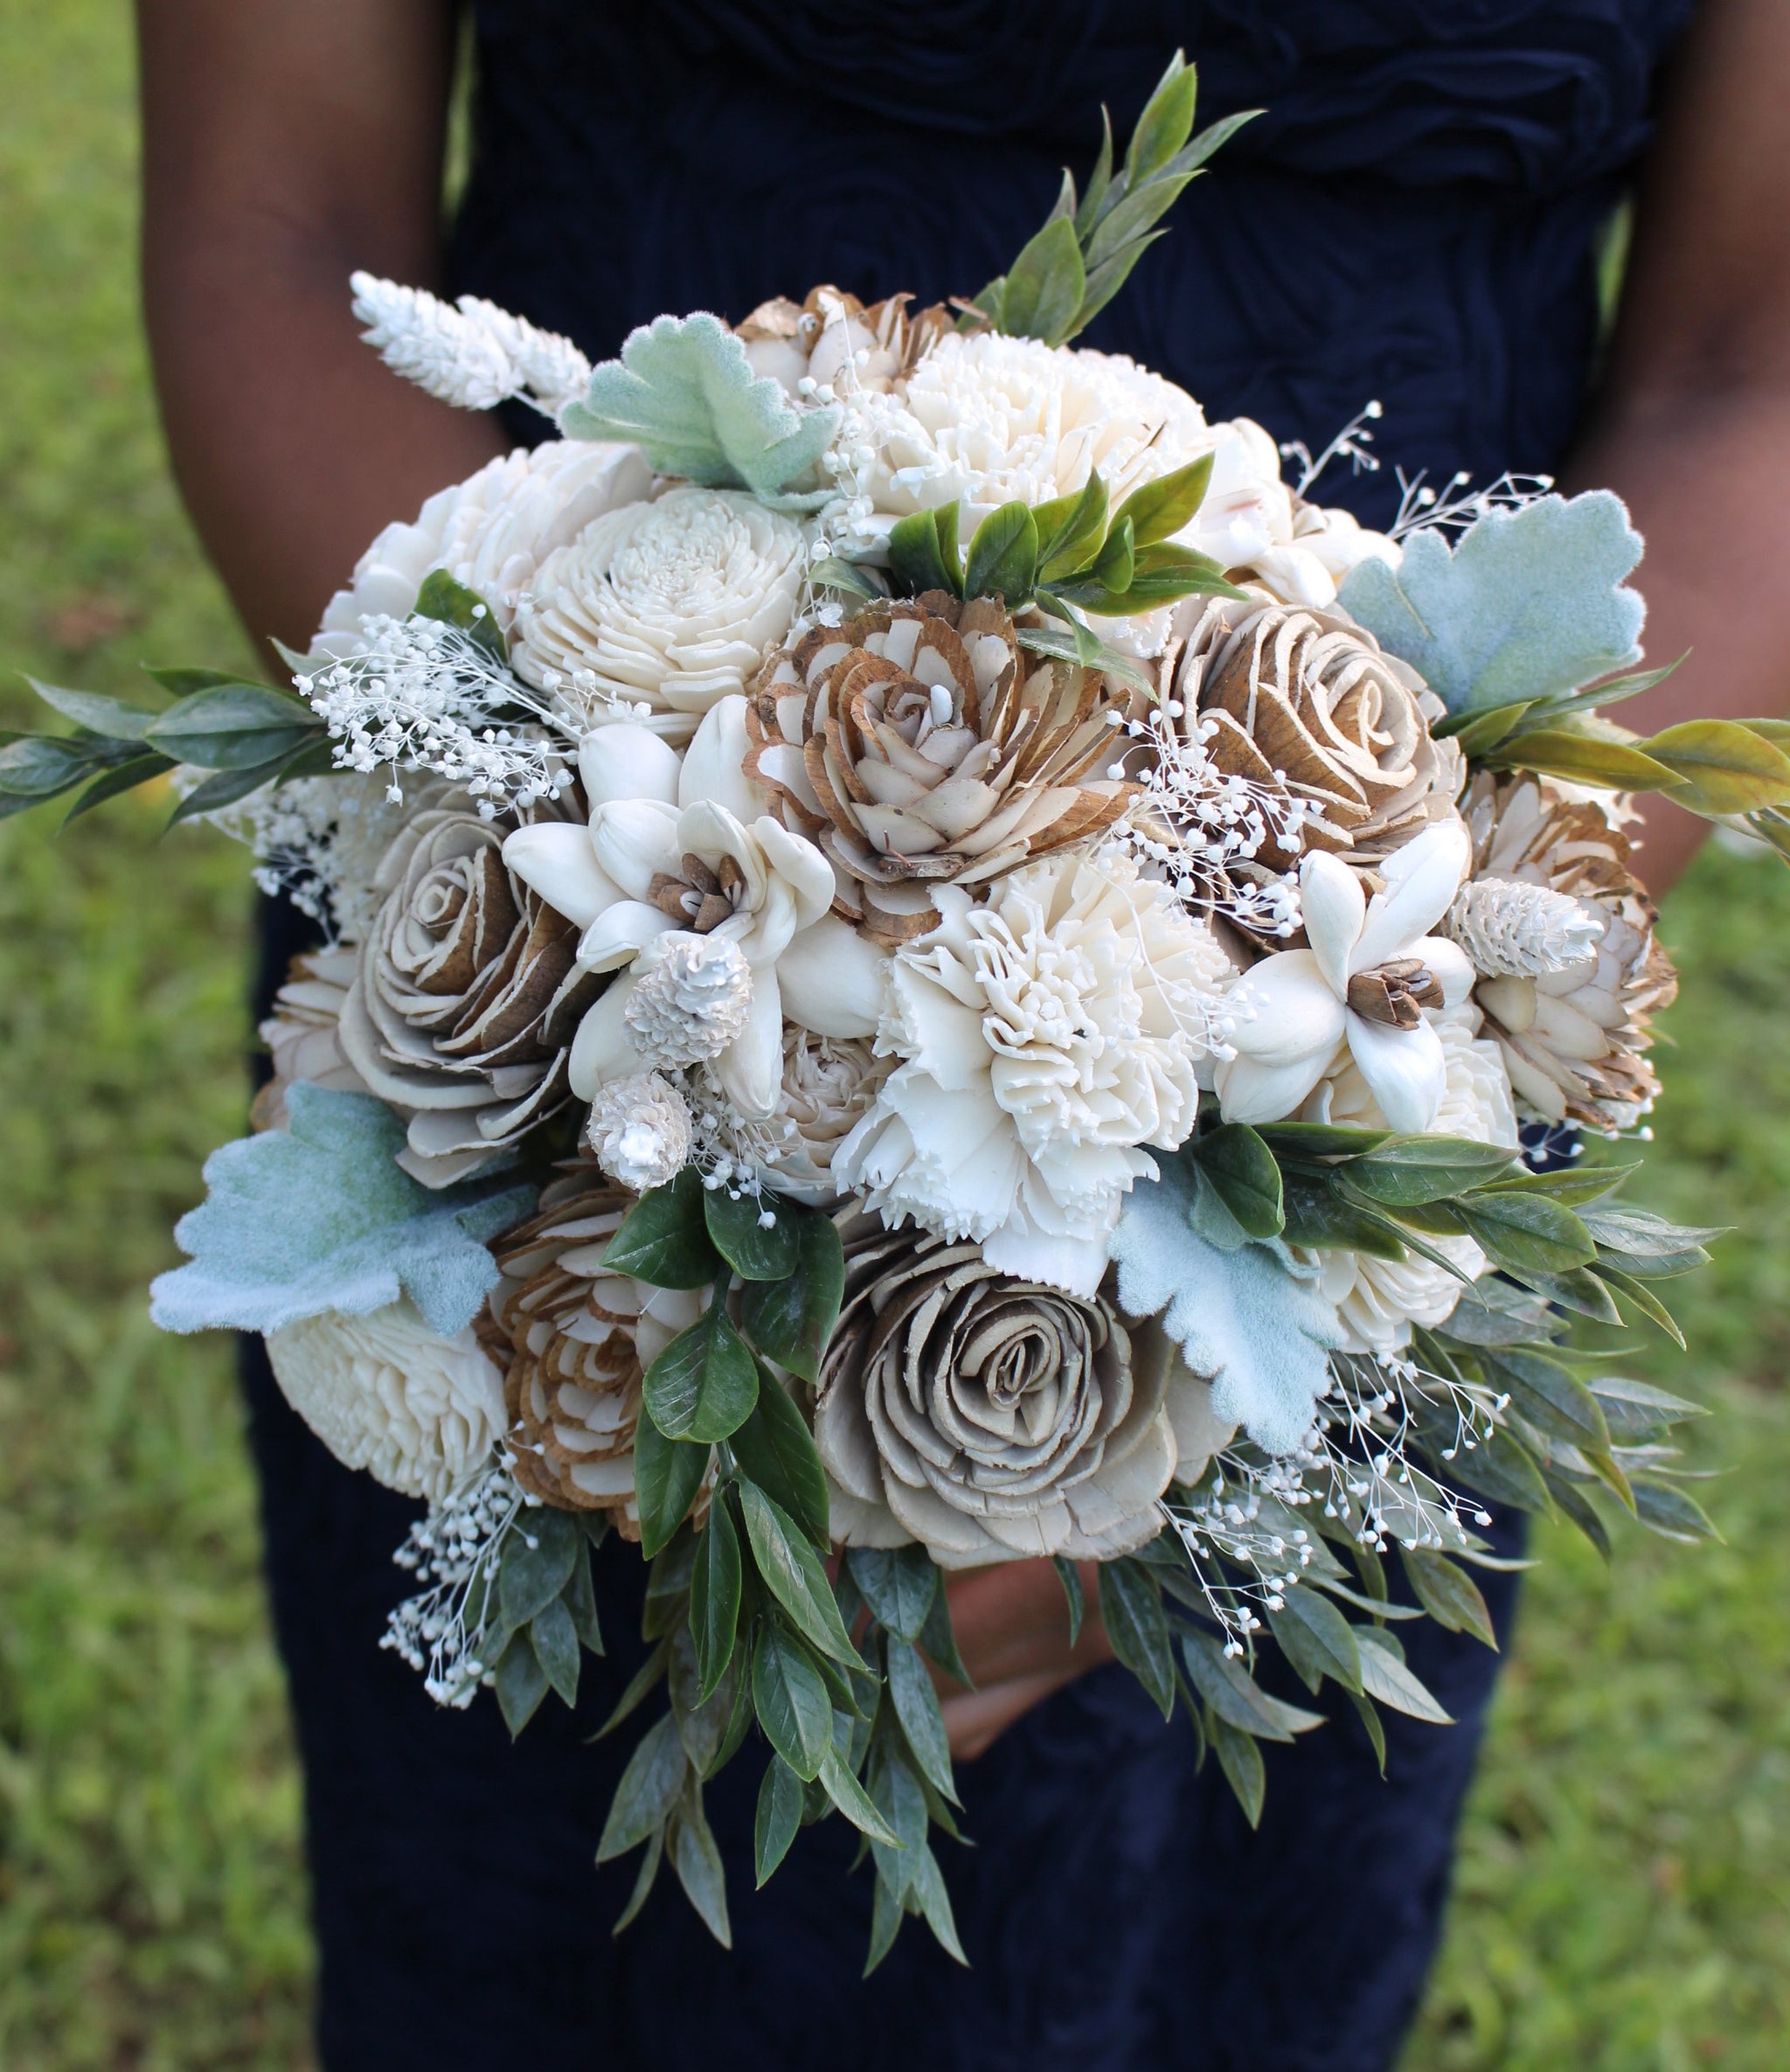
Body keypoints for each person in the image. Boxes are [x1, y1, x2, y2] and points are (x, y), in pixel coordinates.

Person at [133, 3, 1790, 2068]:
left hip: (1360, 968)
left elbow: (1755, 368)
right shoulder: (548, 940)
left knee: (1198, 1950)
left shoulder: (1371, 1029)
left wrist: (1258, 1200)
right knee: (532, 1915)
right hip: (551, 857)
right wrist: (642, 1062)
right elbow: (280, 220)